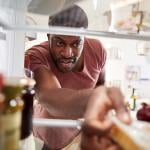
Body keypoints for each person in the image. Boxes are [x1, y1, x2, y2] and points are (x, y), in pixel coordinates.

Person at [25, 5, 131, 150]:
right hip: (44, 140)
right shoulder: (35, 56)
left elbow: (100, 84)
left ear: (84, 39)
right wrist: (99, 99)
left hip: (78, 135)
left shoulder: (97, 50)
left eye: (76, 43)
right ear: (48, 36)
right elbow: (51, 97)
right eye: (59, 43)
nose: (67, 53)